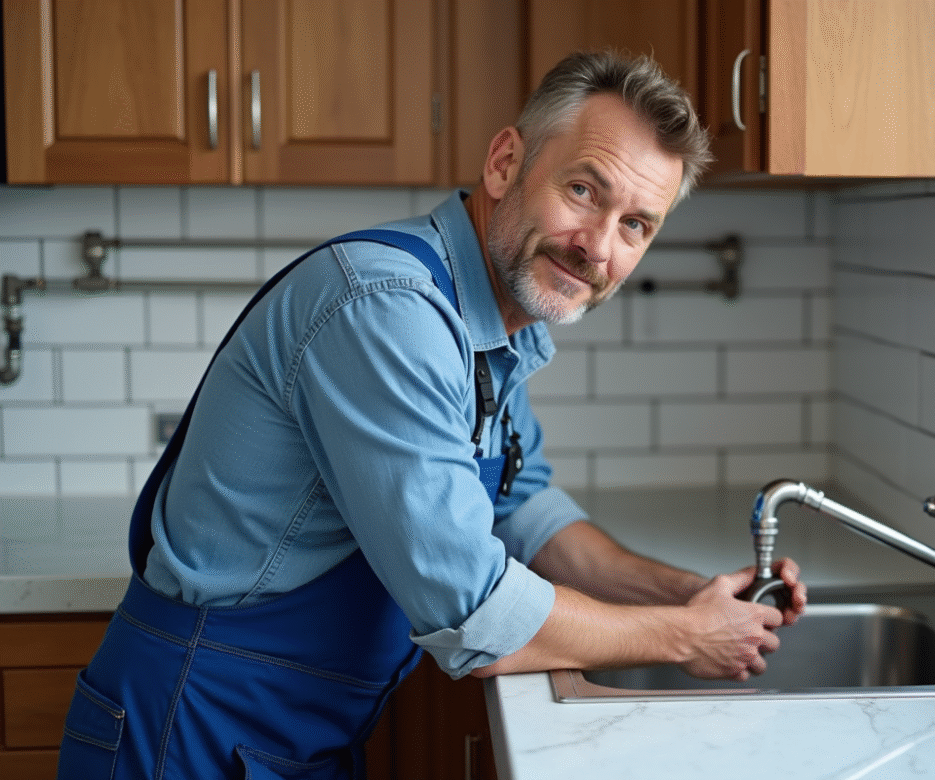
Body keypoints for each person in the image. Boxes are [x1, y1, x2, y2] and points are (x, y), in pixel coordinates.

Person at [56, 51, 807, 780]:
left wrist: (688, 594)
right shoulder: (389, 311)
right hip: (189, 729)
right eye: (584, 191)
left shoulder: (495, 322)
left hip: (286, 737)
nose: (599, 249)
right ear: (506, 163)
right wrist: (683, 638)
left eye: (636, 224)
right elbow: (475, 614)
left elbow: (525, 511)